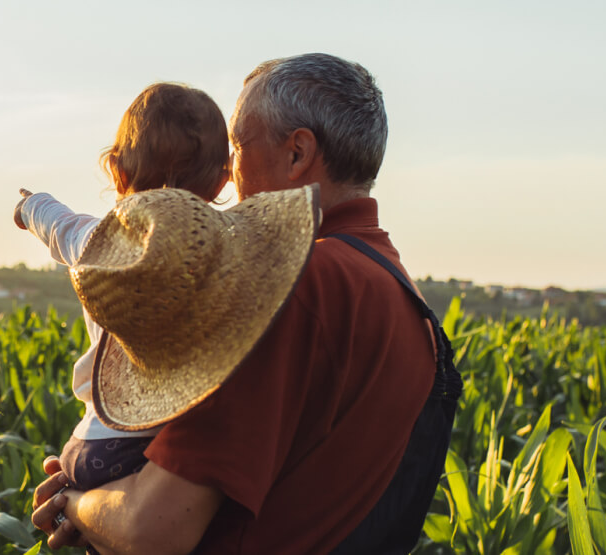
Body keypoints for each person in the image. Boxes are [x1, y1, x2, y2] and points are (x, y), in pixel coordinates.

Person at [30, 53, 462, 554]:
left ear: (297, 153)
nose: (229, 179)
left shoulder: (291, 289)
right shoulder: (402, 298)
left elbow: (155, 528)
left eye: (237, 145)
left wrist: (76, 501)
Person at [13, 82, 230, 492]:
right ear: (223, 181)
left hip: (95, 441)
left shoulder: (96, 239)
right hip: (155, 445)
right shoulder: (223, 259)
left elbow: (58, 223)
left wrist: (30, 205)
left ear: (117, 170)